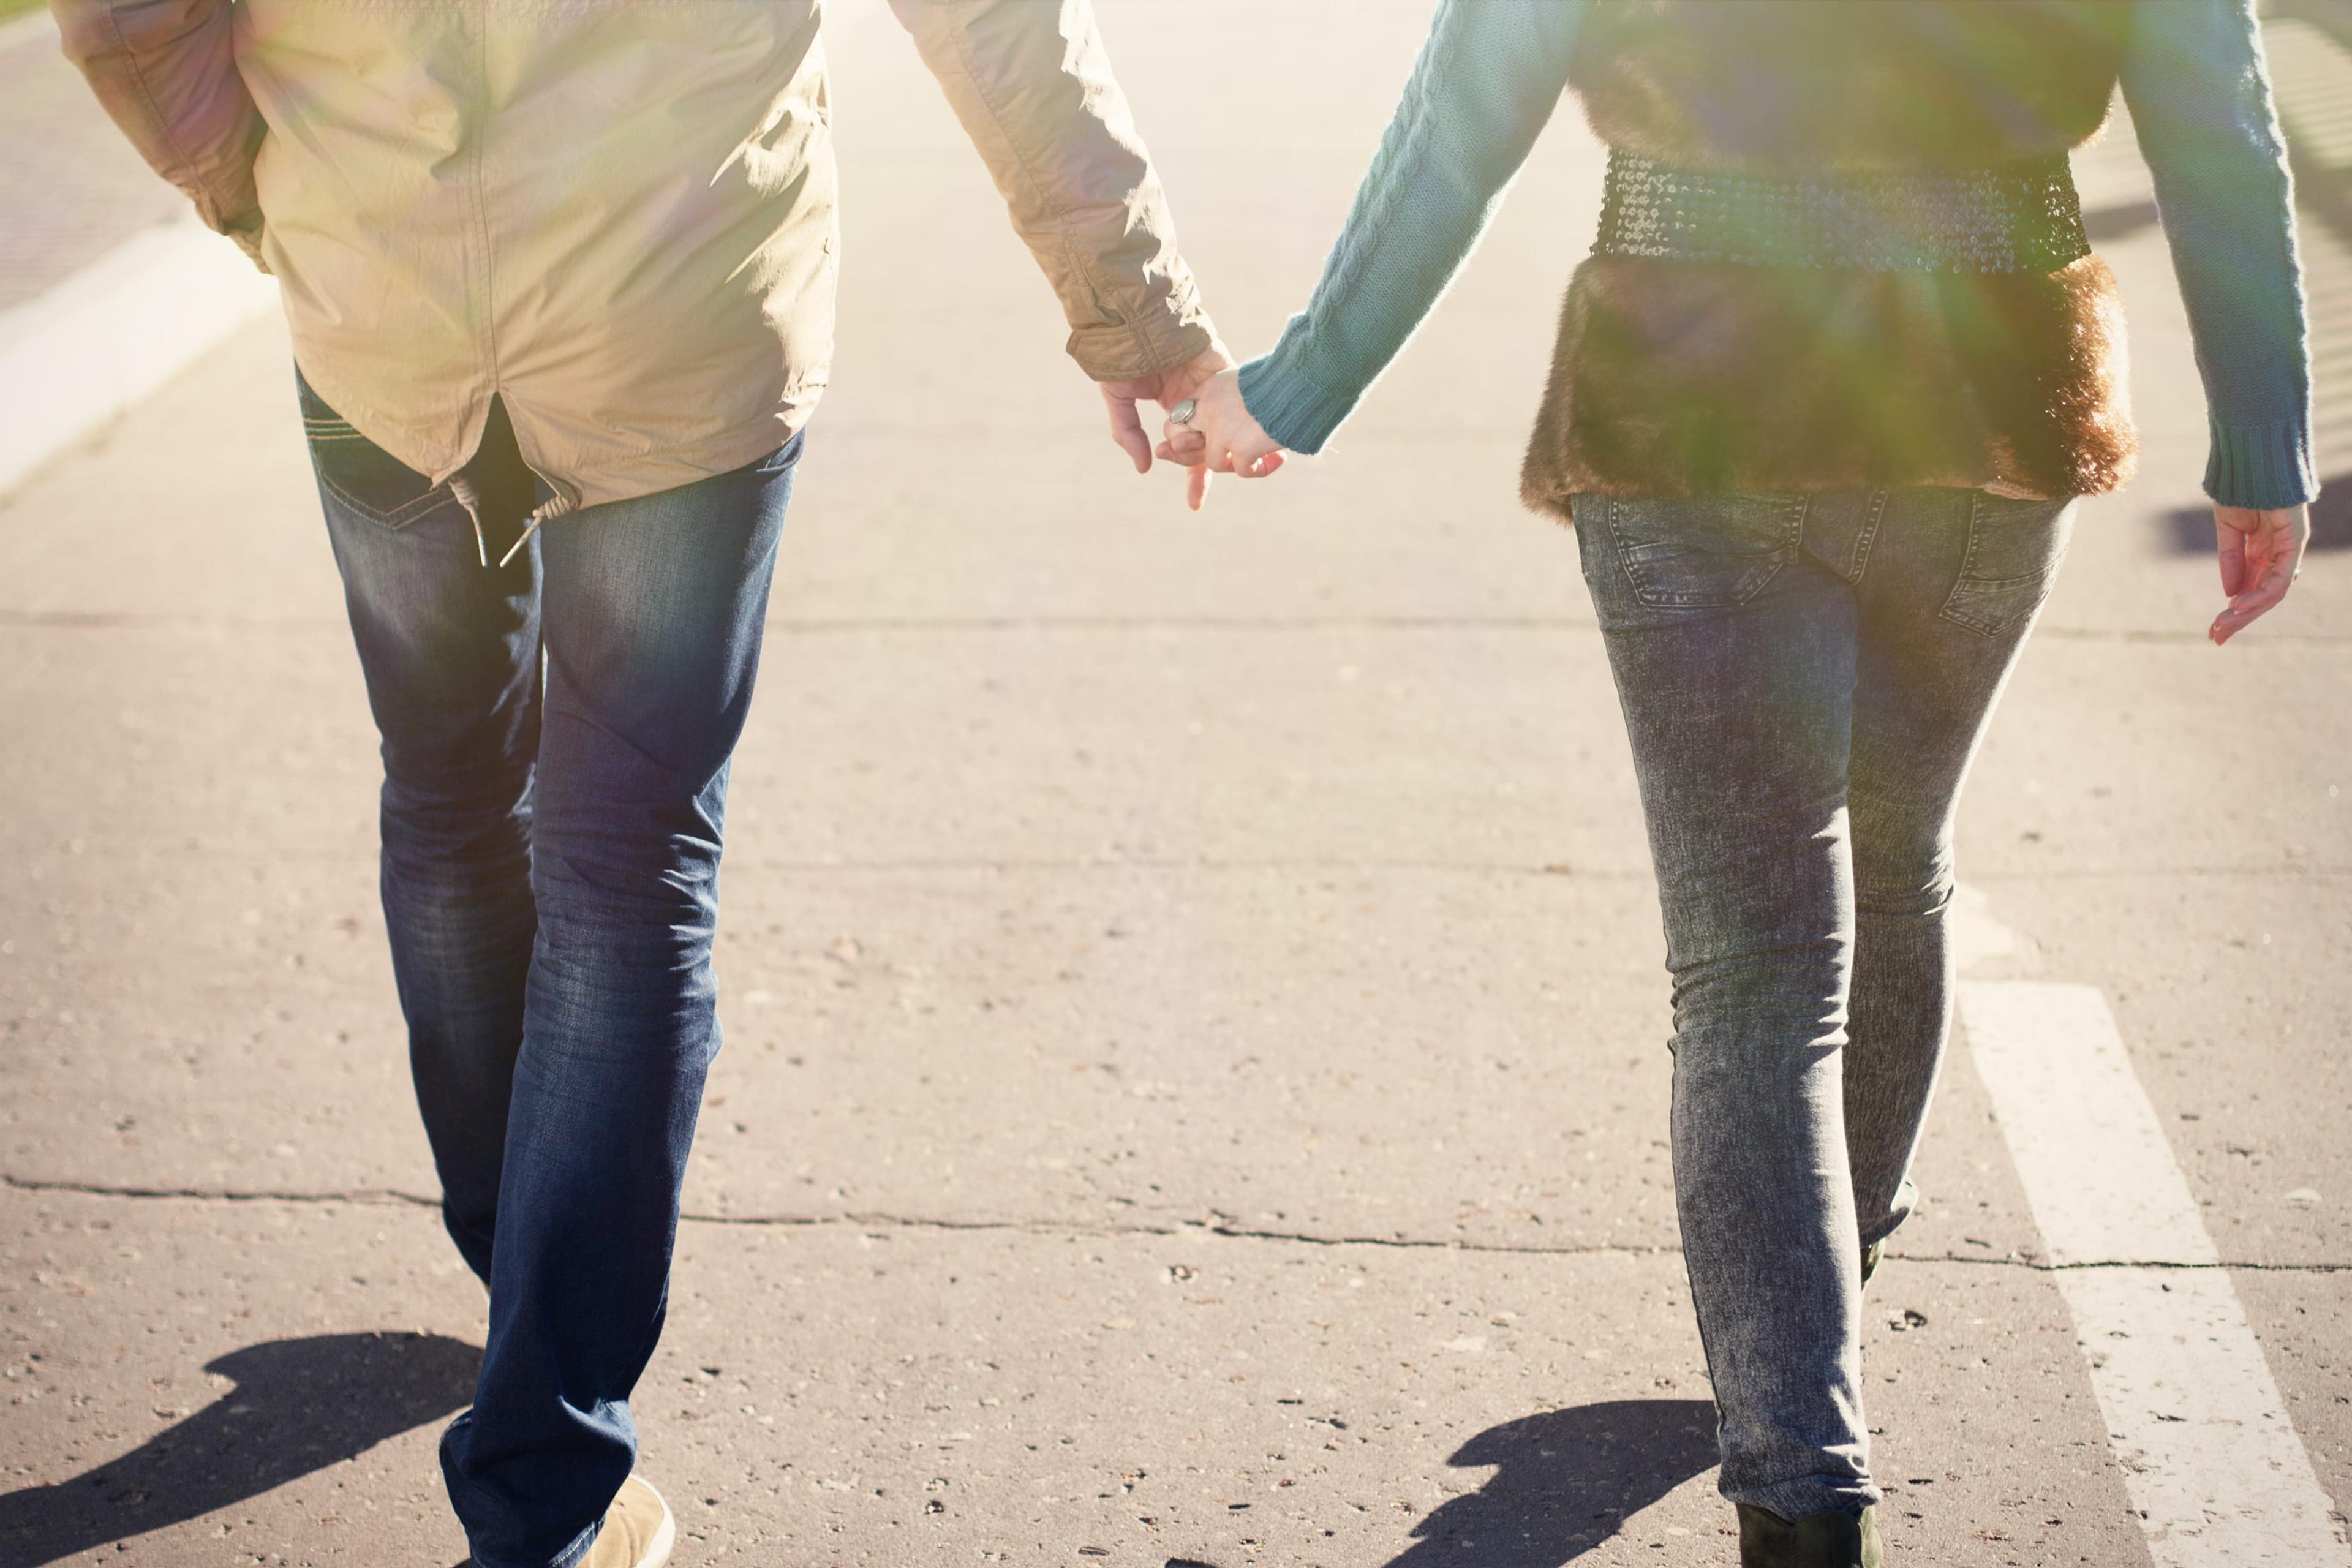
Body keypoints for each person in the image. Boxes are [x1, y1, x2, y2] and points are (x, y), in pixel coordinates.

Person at [51, 2, 1229, 1565]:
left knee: (448, 795)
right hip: (679, 309)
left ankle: (523, 1270)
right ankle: (544, 1480)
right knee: (626, 871)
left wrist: (258, 188)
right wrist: (1138, 315)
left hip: (381, 293)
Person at [1169, 2, 2312, 1563]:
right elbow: (2218, 117)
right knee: (1900, 847)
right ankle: (1827, 1275)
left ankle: (1803, 1468)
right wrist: (2261, 442)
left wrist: (1301, 382)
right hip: (1992, 387)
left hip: (1696, 393)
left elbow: (1467, 108)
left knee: (1755, 966)